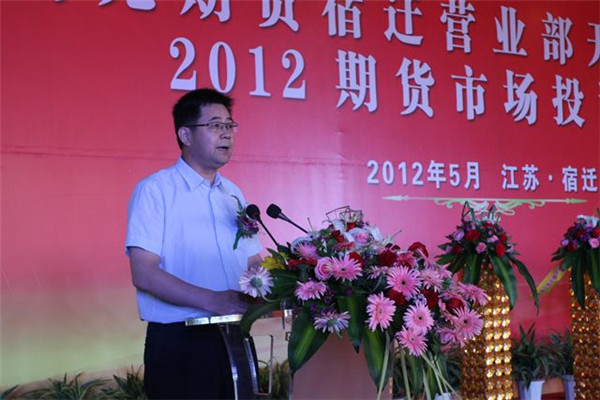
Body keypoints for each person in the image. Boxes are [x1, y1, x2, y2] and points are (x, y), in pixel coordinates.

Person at [125, 88, 262, 399]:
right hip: (181, 341)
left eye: (229, 125)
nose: (226, 134)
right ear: (185, 134)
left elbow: (253, 262)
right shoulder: (155, 190)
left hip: (235, 334)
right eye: (215, 125)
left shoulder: (233, 194)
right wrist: (214, 300)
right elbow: (144, 273)